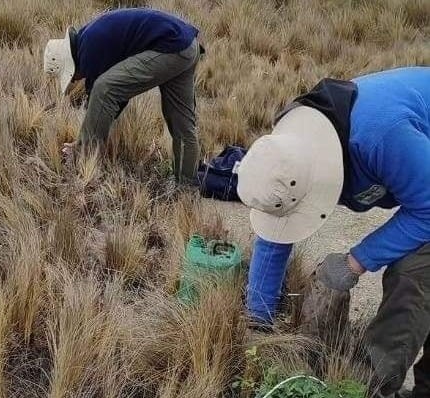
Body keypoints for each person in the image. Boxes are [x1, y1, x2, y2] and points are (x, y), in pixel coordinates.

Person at [236, 67, 430, 398]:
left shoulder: (380, 136)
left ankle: (367, 389)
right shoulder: (290, 154)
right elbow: (277, 225)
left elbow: (427, 209)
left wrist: (355, 261)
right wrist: (259, 319)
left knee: (412, 274)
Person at [43, 8, 203, 185]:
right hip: (187, 45)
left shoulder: (89, 49)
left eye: (71, 76)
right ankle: (187, 186)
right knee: (182, 123)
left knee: (104, 88)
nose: (74, 80)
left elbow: (104, 95)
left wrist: (81, 144)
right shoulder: (87, 37)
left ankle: (85, 161)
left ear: (71, 64)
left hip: (171, 47)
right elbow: (117, 99)